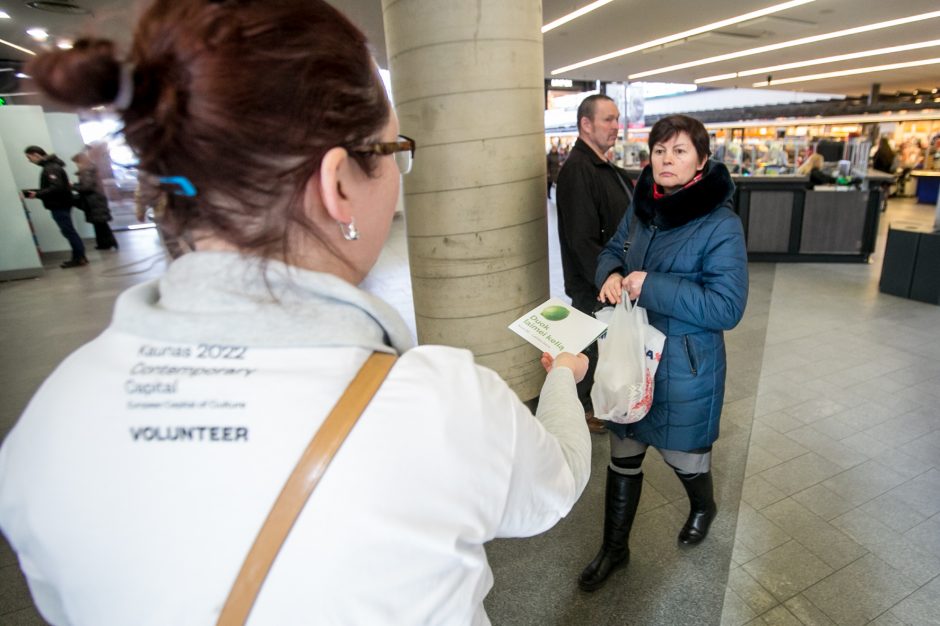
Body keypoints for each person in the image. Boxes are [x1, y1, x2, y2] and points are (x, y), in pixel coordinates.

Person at [0, 3, 592, 624]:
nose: (397, 170)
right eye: (393, 149)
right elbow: (553, 488)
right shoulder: (438, 405)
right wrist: (561, 376)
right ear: (338, 182)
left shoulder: (47, 420)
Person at [580, 114, 748, 592]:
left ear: (701, 161)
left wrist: (653, 286)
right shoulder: (642, 208)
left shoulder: (721, 224)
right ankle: (615, 548)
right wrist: (609, 273)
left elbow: (727, 306)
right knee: (623, 454)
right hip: (630, 357)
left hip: (684, 367)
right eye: (659, 150)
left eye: (678, 151)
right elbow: (612, 249)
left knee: (685, 461)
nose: (666, 160)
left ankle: (702, 505)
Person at [555, 94, 633, 434]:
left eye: (617, 119)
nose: (616, 126)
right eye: (608, 120)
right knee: (590, 348)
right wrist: (608, 277)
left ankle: (594, 406)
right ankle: (583, 411)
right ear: (586, 125)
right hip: (594, 286)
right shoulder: (578, 170)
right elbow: (582, 238)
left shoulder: (602, 166)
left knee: (600, 349)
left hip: (608, 281)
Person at [22, 146, 88, 268]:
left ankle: (80, 257)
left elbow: (56, 188)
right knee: (68, 231)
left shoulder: (51, 168)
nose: (29, 160)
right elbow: (56, 187)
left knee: (68, 231)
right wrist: (38, 193)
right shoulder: (51, 166)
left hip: (59, 205)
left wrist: (38, 194)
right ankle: (78, 257)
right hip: (61, 204)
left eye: (29, 157)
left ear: (36, 155)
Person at [72, 149, 118, 250]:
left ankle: (109, 243)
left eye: (76, 163)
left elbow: (87, 187)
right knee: (101, 224)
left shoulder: (86, 171)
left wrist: (73, 186)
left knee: (100, 224)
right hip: (97, 199)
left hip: (93, 201)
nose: (76, 165)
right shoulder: (91, 169)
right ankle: (105, 243)